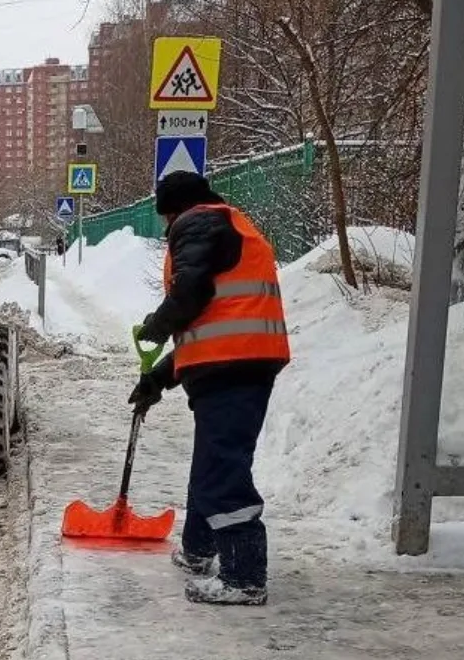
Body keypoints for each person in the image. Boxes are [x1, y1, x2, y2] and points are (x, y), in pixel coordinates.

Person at [128, 170, 290, 606]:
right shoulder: (222, 223)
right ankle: (200, 550)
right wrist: (158, 379)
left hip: (236, 366)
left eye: (164, 219)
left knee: (222, 472)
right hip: (234, 362)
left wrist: (156, 326)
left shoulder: (199, 223)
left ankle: (244, 575)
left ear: (172, 210)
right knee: (211, 464)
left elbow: (190, 296)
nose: (165, 229)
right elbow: (212, 328)